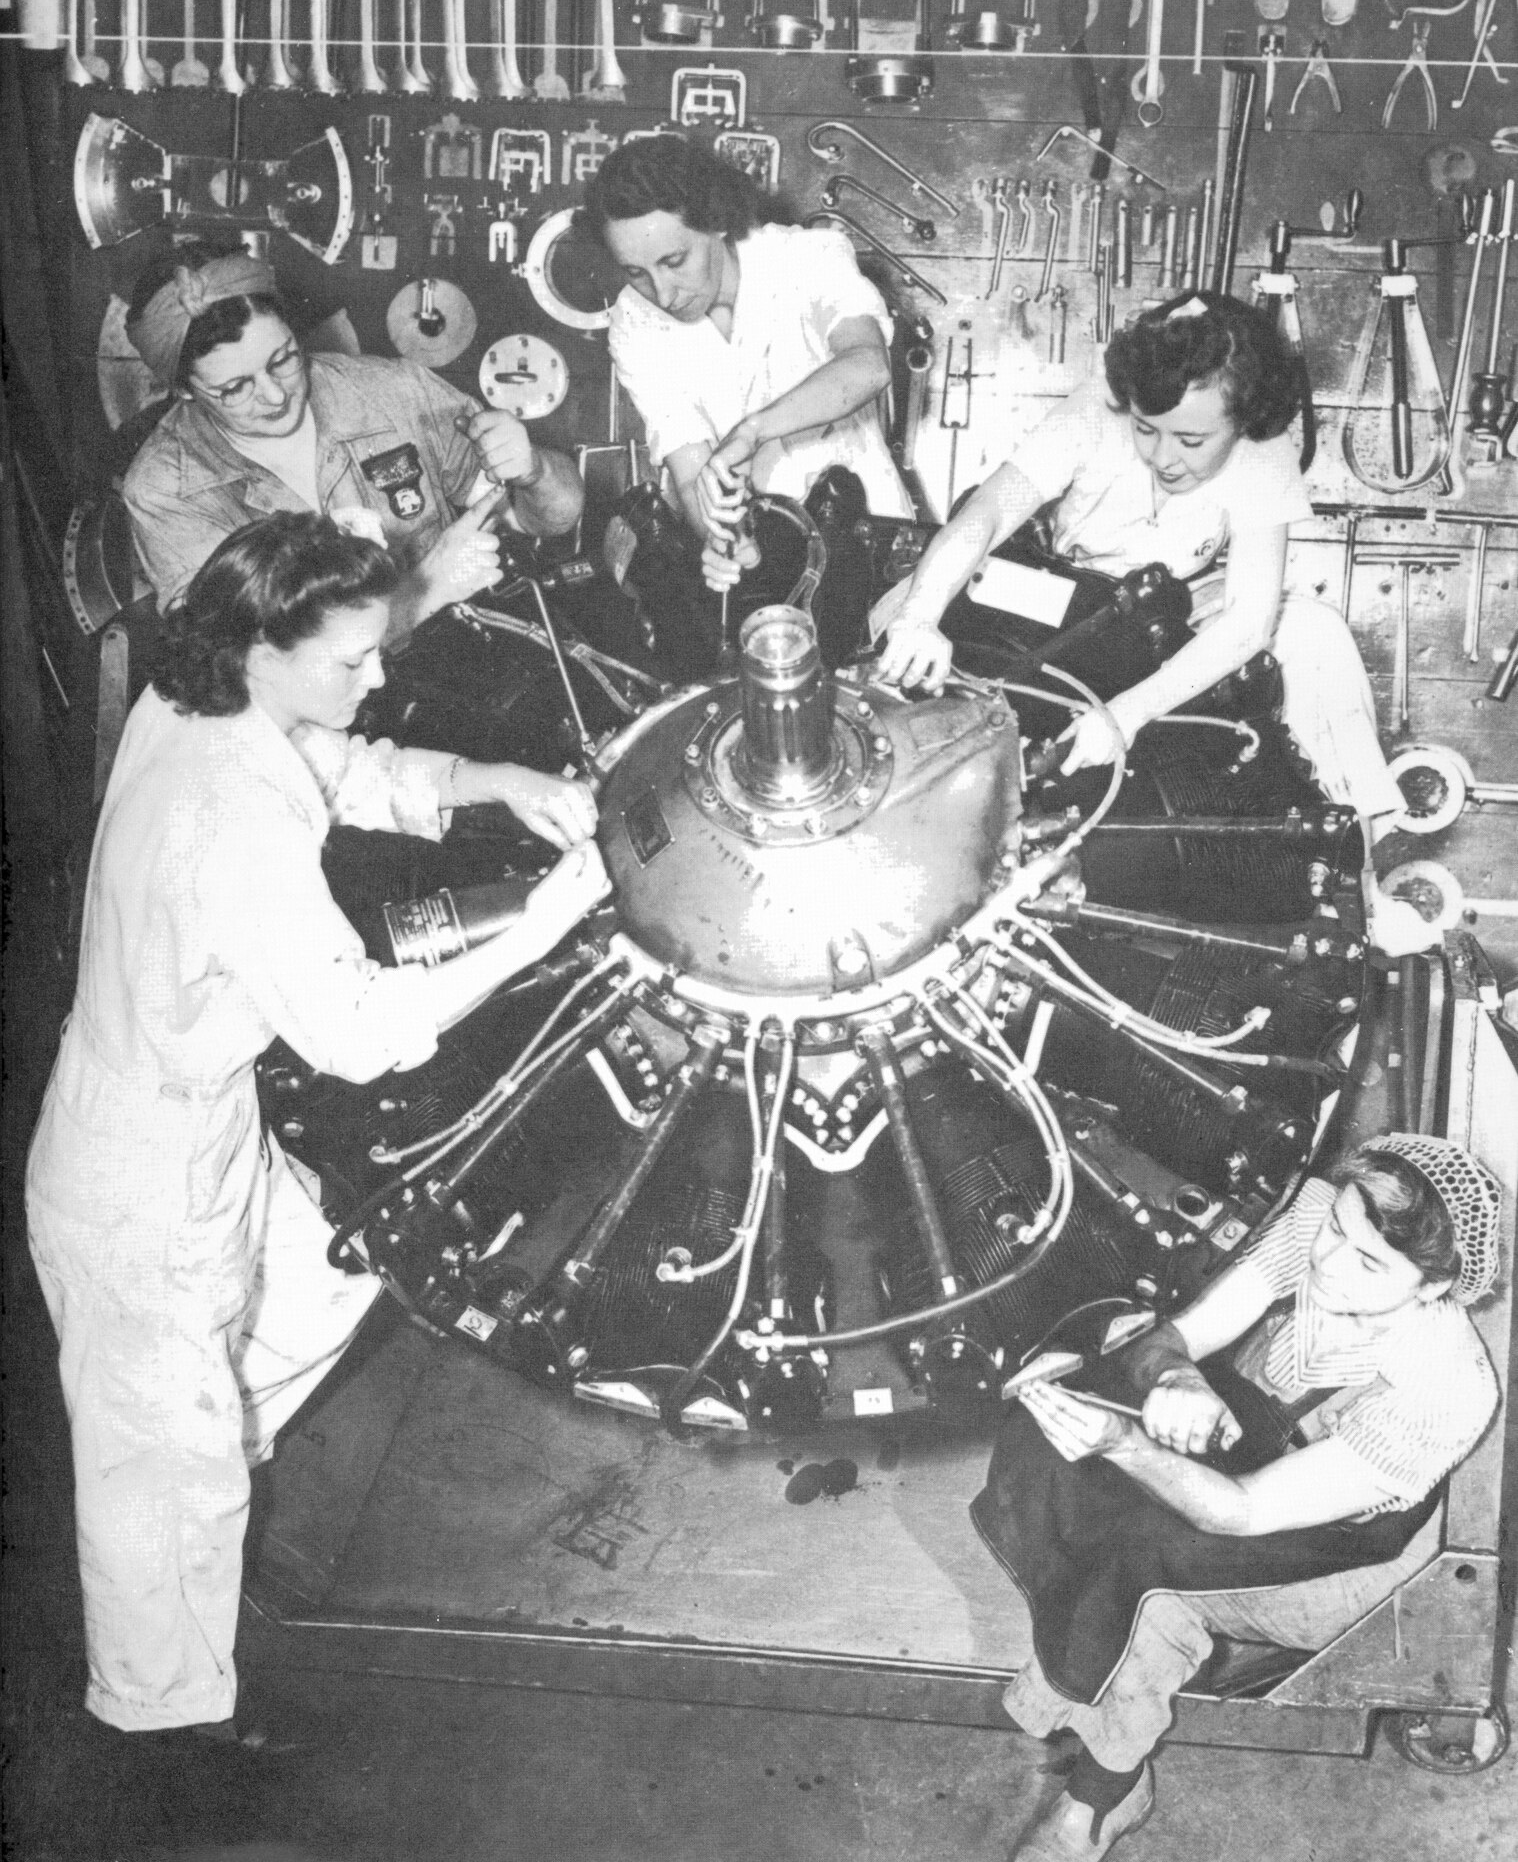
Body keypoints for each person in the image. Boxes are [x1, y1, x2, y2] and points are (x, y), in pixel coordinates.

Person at [24, 514, 608, 1745]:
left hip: (206, 1118)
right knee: (156, 1472)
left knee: (328, 1278)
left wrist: (504, 783)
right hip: (141, 1164)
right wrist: (544, 924)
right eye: (351, 661)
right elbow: (356, 1030)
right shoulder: (222, 815)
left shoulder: (211, 709)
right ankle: (164, 1740)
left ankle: (213, 1552)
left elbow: (345, 771)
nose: (379, 673)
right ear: (259, 648)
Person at [975, 1134, 1503, 1859]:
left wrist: (1126, 1445)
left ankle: (1100, 1803)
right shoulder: (1321, 1217)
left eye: (1370, 1263)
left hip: (1342, 1562)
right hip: (1260, 1457)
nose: (1329, 1263)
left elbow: (1242, 1510)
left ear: (1433, 1287)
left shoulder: (1441, 1387)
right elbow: (1175, 1338)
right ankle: (1081, 1701)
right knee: (1066, 1462)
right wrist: (1177, 1378)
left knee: (1149, 1589)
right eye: (1336, 1232)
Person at [876, 292, 1405, 832]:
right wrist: (918, 616)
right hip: (1065, 595)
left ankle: (1352, 843)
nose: (1163, 458)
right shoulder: (1096, 408)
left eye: (1192, 440)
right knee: (908, 611)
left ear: (1241, 424)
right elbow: (985, 513)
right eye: (1146, 429)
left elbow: (1249, 620)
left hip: (1180, 604)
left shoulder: (1264, 449)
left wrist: (1124, 716)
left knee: (1315, 634)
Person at [120, 243, 584, 630]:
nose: (275, 394)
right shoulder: (167, 488)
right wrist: (427, 588)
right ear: (184, 391)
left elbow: (553, 518)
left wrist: (535, 472)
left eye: (282, 359)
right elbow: (250, 674)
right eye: (235, 389)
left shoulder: (393, 392)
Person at [584, 134, 912, 589]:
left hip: (873, 543)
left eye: (675, 260)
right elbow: (690, 467)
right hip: (768, 565)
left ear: (716, 221)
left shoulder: (807, 257)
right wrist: (723, 538)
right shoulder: (635, 323)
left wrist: (752, 431)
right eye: (636, 273)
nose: (662, 293)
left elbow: (868, 365)